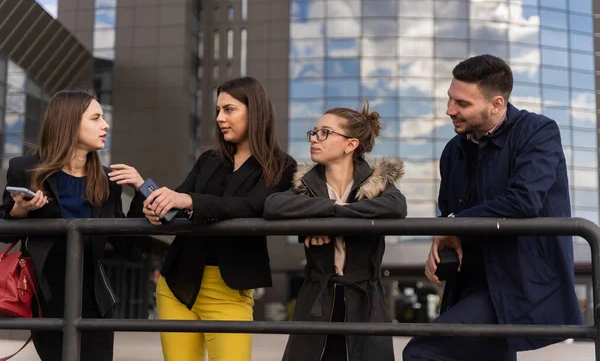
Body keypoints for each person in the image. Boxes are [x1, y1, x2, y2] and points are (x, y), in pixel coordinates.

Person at [402, 54, 583, 361]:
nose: (449, 111)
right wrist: (442, 236)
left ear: (496, 104)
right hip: (468, 283)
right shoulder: (453, 150)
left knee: (423, 351)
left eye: (462, 104)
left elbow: (523, 200)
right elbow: (448, 211)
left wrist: (453, 226)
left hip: (518, 284)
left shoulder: (538, 132)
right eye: (450, 99)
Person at [109, 76, 296, 361]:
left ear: (255, 111)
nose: (220, 118)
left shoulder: (281, 165)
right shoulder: (209, 159)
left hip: (230, 288)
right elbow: (177, 204)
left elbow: (252, 206)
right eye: (218, 110)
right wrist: (153, 203)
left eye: (229, 109)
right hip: (177, 284)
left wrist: (189, 200)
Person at [264, 103, 407, 361]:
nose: (314, 139)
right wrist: (328, 208)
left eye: (325, 133)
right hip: (316, 300)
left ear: (350, 145)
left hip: (365, 301)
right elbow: (273, 205)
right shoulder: (307, 183)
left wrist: (334, 216)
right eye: (314, 132)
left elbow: (396, 206)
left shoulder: (377, 182)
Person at [0, 90, 128, 361]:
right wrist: (20, 210)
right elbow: (5, 228)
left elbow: (124, 243)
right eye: (96, 118)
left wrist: (142, 197)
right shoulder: (24, 168)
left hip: (94, 298)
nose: (106, 125)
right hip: (45, 295)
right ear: (69, 123)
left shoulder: (108, 179)